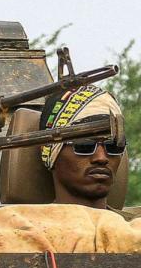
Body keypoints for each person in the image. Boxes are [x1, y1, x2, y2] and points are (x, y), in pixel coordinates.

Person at [40, 85, 134, 220]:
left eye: (113, 146)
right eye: (85, 144)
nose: (101, 157)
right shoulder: (19, 232)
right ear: (48, 152)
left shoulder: (134, 230)